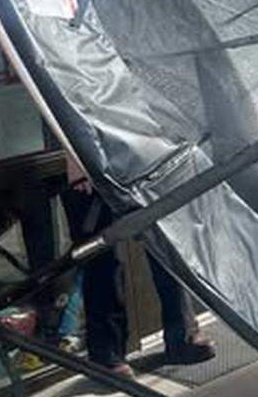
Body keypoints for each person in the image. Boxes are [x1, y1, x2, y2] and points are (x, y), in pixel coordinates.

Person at [60, 158, 214, 377]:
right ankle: (106, 355)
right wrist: (76, 161)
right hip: (88, 157)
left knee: (164, 243)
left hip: (136, 157)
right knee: (101, 258)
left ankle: (182, 336)